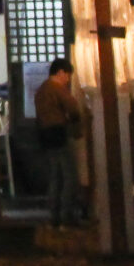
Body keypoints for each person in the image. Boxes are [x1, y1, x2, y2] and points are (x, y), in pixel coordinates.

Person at [34, 59, 87, 228]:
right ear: (61, 72)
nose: (68, 80)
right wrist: (77, 124)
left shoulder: (41, 90)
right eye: (68, 75)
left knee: (55, 176)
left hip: (45, 135)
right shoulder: (57, 89)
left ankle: (54, 215)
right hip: (59, 133)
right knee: (69, 176)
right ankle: (67, 215)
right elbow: (73, 107)